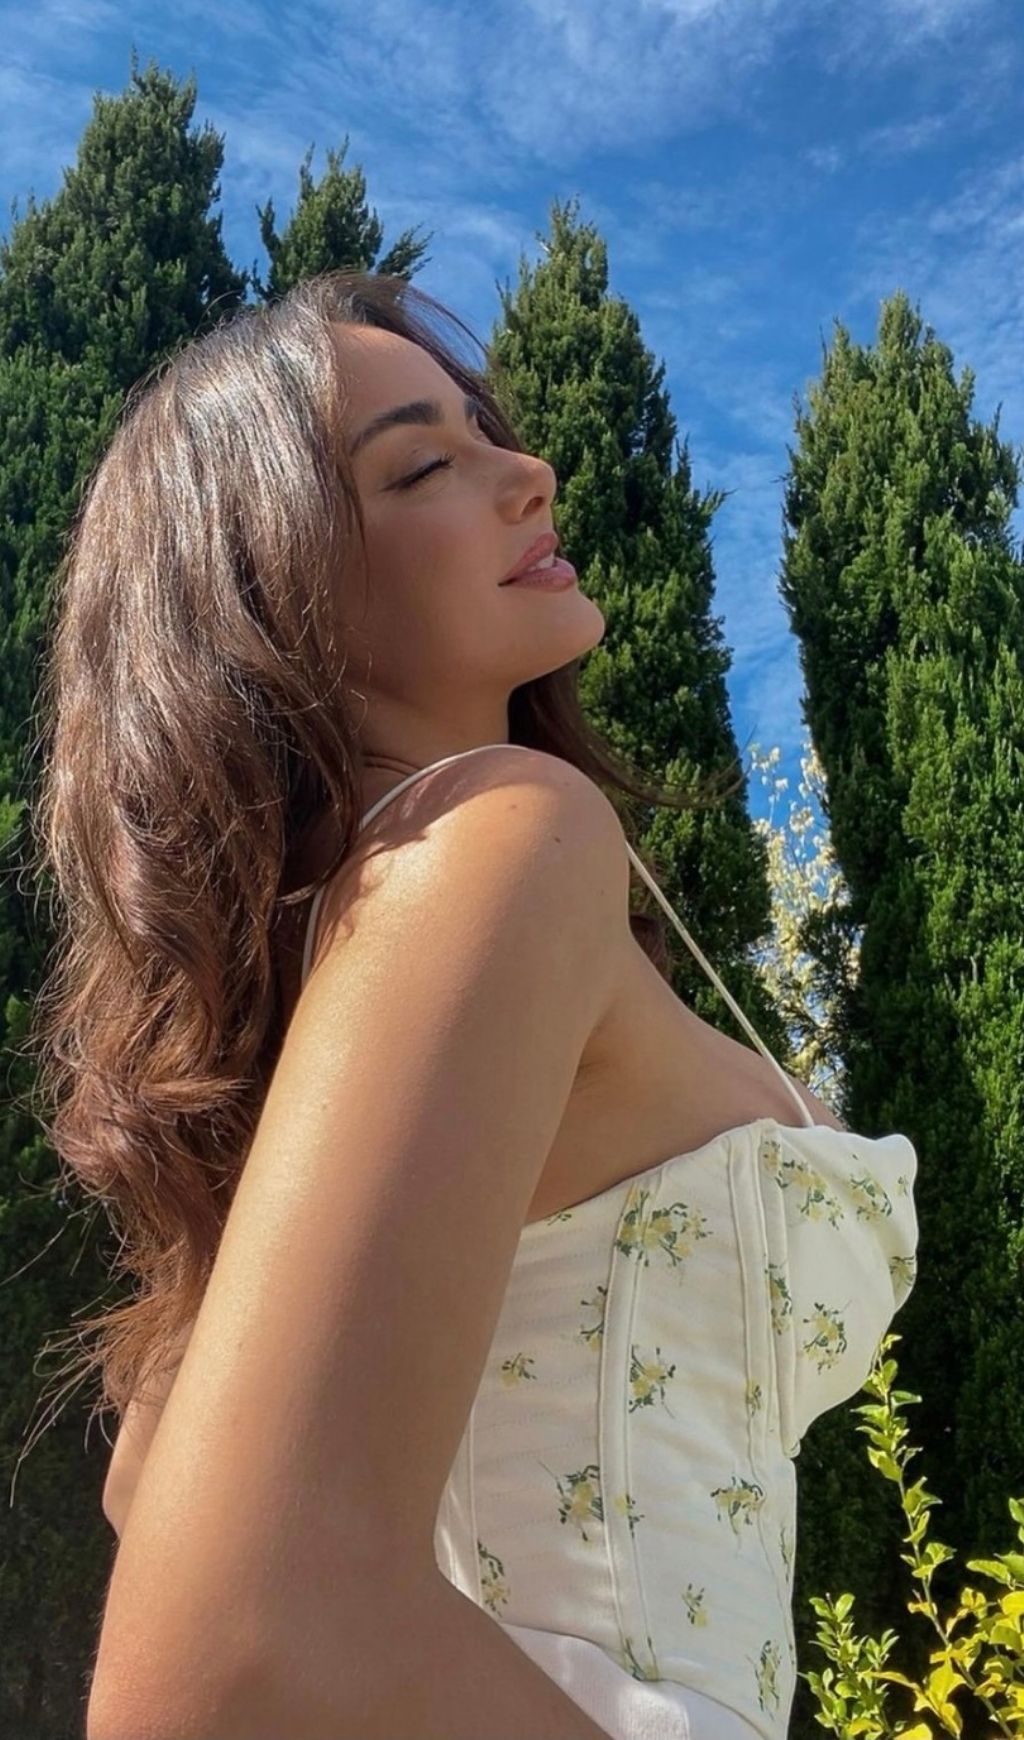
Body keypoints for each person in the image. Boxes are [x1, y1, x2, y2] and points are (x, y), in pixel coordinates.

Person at [29, 270, 918, 1739]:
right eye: (421, 466)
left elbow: (151, 1486)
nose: (530, 472)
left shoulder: (396, 936)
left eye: (486, 432)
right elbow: (220, 1651)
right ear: (265, 592)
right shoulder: (508, 838)